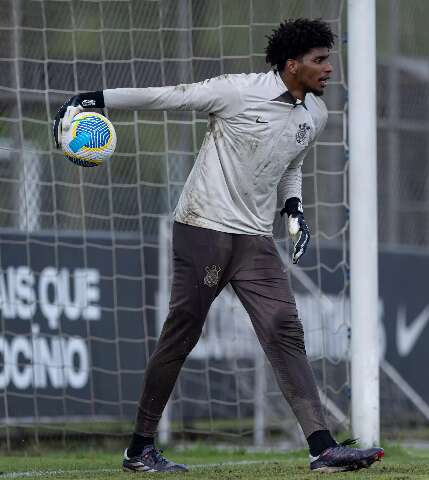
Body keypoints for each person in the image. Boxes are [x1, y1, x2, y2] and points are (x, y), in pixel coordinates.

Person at [53, 18, 383, 474]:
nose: (330, 69)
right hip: (203, 228)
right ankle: (139, 449)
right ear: (292, 65)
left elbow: (291, 165)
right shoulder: (236, 91)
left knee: (285, 328)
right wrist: (96, 100)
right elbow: (169, 96)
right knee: (182, 333)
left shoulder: (315, 115)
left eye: (329, 60)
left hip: (254, 240)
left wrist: (293, 207)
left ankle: (322, 447)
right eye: (320, 60)